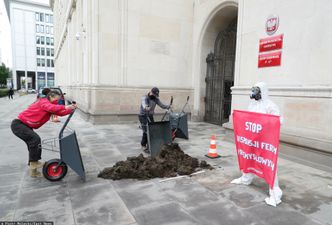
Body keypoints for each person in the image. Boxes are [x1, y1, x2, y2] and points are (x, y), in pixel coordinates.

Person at [231, 82, 283, 207]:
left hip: (265, 141)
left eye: (256, 91)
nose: (254, 93)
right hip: (253, 139)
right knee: (249, 158)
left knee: (268, 163)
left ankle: (275, 191)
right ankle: (246, 179)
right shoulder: (252, 104)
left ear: (262, 92)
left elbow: (279, 120)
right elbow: (249, 118)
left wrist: (269, 123)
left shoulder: (270, 105)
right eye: (253, 91)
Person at [11, 90, 77, 177]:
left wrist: (71, 109)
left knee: (32, 145)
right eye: (56, 99)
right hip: (19, 124)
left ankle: (33, 172)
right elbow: (52, 108)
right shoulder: (43, 102)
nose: (57, 101)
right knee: (35, 140)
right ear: (51, 96)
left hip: (25, 126)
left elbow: (60, 112)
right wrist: (67, 107)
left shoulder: (49, 105)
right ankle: (34, 162)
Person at [138, 87, 171, 153]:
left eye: (156, 95)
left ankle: (149, 145)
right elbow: (144, 105)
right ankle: (144, 145)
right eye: (154, 95)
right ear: (151, 92)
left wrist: (169, 106)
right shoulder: (145, 97)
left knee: (152, 130)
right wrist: (147, 107)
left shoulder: (155, 99)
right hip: (143, 116)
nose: (155, 96)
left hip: (150, 115)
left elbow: (162, 105)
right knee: (146, 131)